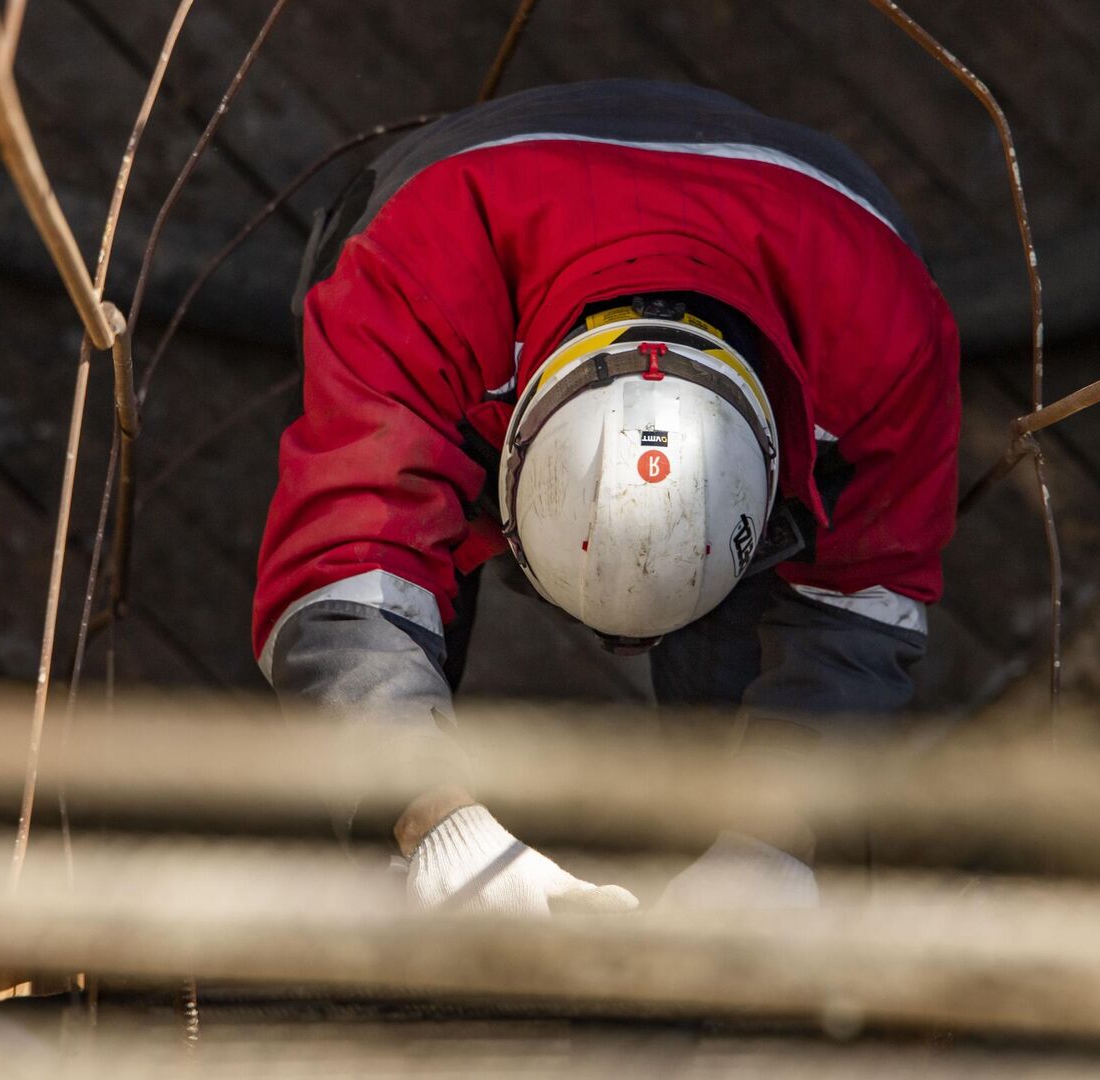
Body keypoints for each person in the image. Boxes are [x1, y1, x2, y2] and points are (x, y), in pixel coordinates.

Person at [253, 80, 960, 915]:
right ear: (506, 440)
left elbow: (859, 606)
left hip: (811, 253)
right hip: (451, 224)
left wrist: (778, 842)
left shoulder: (885, 339)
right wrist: (435, 824)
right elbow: (345, 572)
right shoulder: (417, 277)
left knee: (746, 729)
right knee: (368, 710)